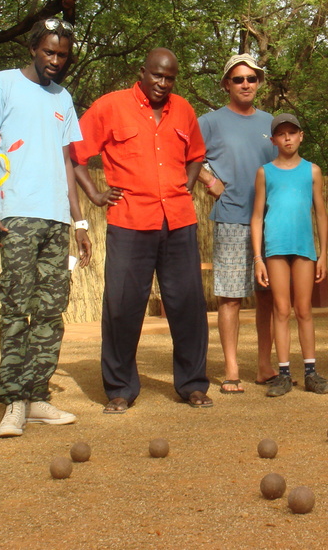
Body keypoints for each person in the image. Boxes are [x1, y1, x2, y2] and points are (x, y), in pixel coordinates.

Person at [70, 48, 213, 411]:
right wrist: (95, 194)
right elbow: (74, 154)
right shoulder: (110, 106)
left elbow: (196, 154)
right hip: (130, 220)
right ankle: (120, 389)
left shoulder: (183, 109)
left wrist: (187, 184)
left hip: (178, 220)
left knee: (188, 304)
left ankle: (193, 384)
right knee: (122, 305)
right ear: (142, 72)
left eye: (170, 78)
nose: (163, 84)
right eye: (157, 76)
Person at [0, 18, 92, 437]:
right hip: (16, 214)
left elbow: (68, 161)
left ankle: (38, 394)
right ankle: (13, 402)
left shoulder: (64, 97)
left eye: (62, 55)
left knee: (50, 307)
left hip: (56, 217)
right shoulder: (2, 84)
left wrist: (79, 221)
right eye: (49, 52)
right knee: (15, 304)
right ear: (32, 49)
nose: (55, 61)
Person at [197, 53, 277, 394]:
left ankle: (263, 365)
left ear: (259, 83)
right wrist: (210, 182)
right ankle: (231, 369)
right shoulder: (210, 122)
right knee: (230, 297)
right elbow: (186, 157)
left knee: (268, 295)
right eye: (238, 79)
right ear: (226, 84)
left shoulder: (272, 123)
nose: (246, 84)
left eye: (252, 79)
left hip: (270, 221)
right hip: (231, 218)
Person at [251, 113, 328, 397]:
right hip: (275, 249)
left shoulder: (312, 171)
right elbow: (257, 216)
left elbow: (321, 213)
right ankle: (283, 373)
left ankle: (311, 372)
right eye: (281, 134)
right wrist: (258, 258)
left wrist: (323, 254)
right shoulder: (265, 172)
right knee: (281, 310)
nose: (287, 138)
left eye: (292, 132)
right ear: (273, 140)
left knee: (305, 310)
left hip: (304, 249)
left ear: (300, 136)